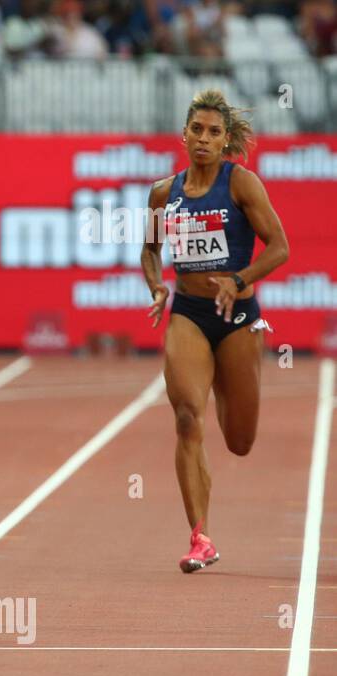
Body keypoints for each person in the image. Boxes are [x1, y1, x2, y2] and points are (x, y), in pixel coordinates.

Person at [141, 89, 289, 573]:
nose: (203, 139)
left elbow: (279, 247)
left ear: (226, 142)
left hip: (238, 318)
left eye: (214, 133)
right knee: (186, 416)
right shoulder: (164, 193)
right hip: (188, 312)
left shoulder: (242, 184)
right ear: (184, 134)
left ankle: (227, 385)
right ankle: (200, 537)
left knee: (240, 440)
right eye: (197, 130)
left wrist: (240, 279)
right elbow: (150, 250)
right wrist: (157, 287)